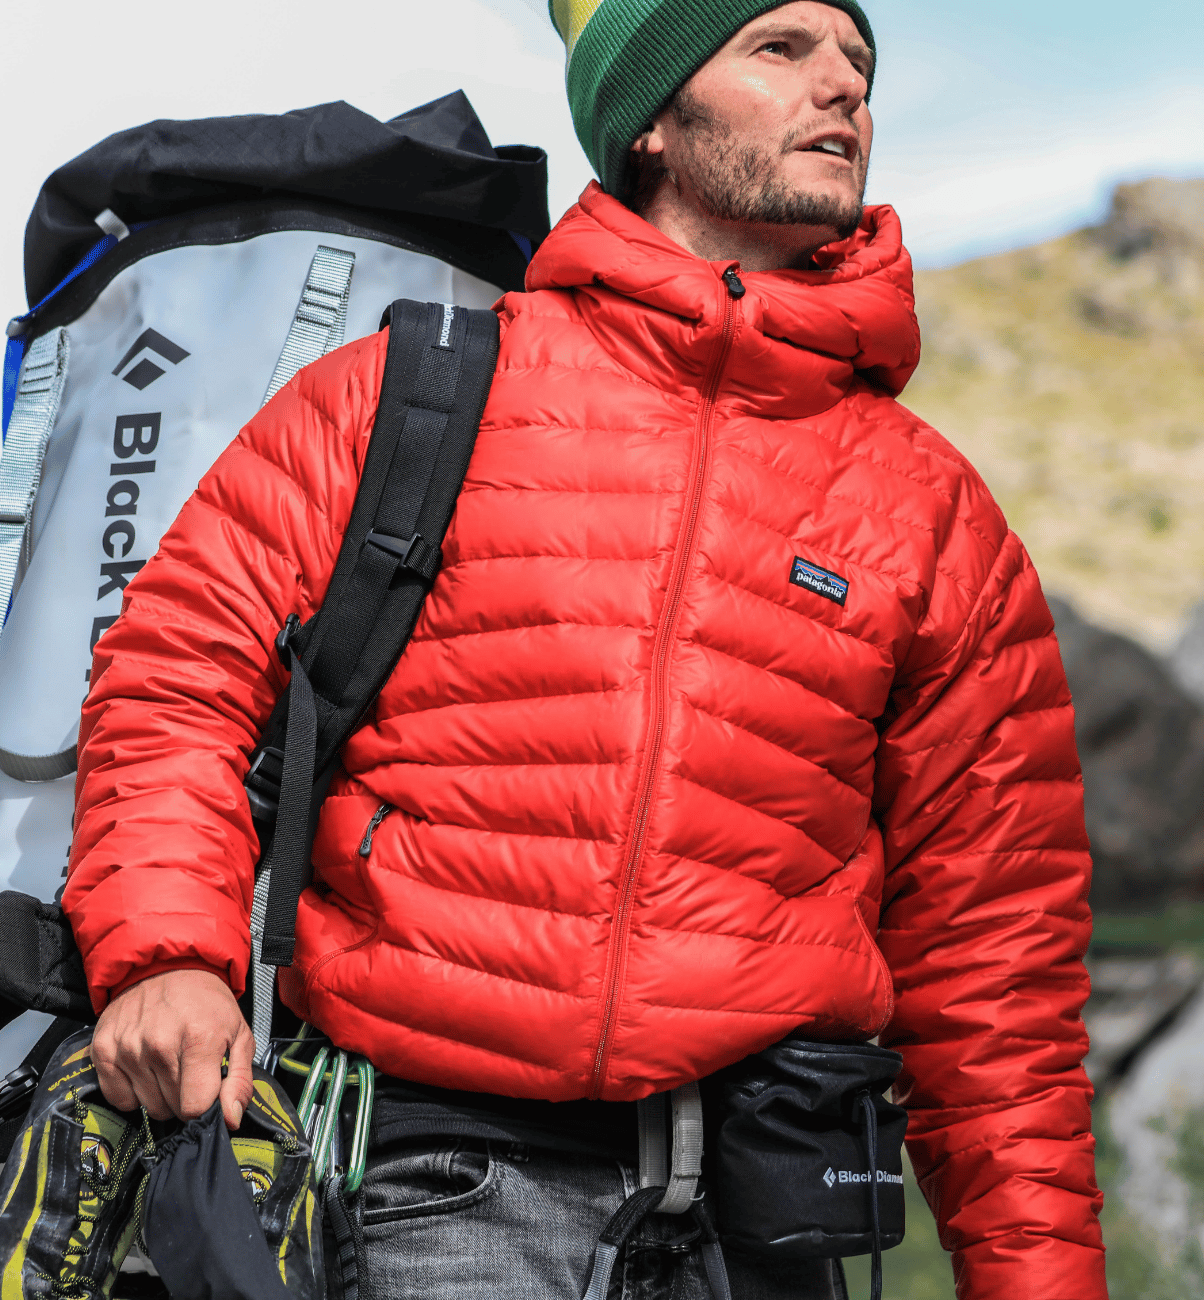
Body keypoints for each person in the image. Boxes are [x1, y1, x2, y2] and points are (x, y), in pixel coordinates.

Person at [65, 2, 1107, 1297]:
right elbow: (179, 674)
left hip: (767, 1223)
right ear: (653, 119)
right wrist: (169, 956)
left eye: (859, 65)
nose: (843, 88)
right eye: (780, 50)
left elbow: (994, 960)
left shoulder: (930, 504)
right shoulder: (413, 391)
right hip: (439, 1191)